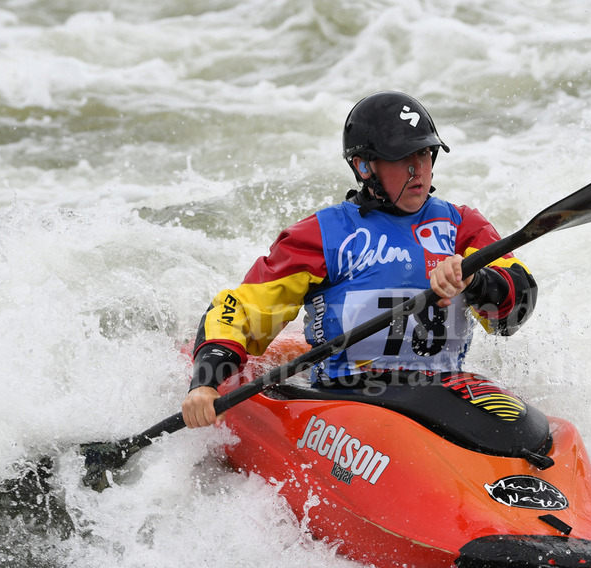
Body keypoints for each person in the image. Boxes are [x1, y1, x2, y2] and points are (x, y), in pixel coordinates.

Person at [181, 91, 538, 428]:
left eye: (425, 154)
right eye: (402, 159)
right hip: (349, 400)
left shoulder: (463, 227)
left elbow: (512, 316)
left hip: (442, 393)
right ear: (364, 166)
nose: (418, 169)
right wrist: (206, 382)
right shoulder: (323, 235)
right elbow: (243, 309)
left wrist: (475, 281)